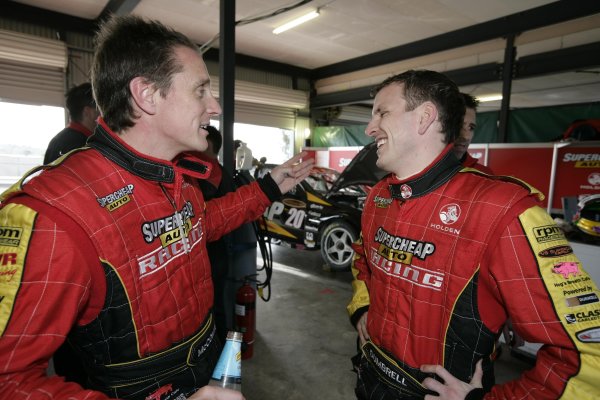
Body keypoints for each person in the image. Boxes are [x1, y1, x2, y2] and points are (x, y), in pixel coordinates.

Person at [0, 15, 313, 400]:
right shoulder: (57, 213)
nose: (214, 106)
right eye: (201, 90)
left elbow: (197, 226)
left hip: (206, 365)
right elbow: (9, 380)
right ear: (146, 94)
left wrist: (267, 188)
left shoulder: (174, 175)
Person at [347, 69, 600, 399]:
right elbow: (362, 261)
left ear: (424, 117)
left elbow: (587, 357)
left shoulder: (504, 209)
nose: (369, 128)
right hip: (370, 380)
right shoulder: (378, 197)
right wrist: (363, 309)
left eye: (381, 112)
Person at [43, 82, 99, 164]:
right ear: (88, 112)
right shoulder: (83, 146)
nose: (103, 114)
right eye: (99, 109)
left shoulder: (57, 141)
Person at [452, 93, 493, 174]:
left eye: (471, 128)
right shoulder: (421, 170)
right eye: (459, 126)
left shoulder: (484, 175)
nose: (466, 136)